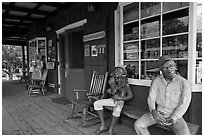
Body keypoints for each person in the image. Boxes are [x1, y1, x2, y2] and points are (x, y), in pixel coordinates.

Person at [134, 55, 192, 135]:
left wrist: (174, 117)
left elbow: (184, 103)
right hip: (159, 113)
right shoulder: (156, 81)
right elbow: (151, 98)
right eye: (165, 68)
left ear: (175, 66)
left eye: (171, 66)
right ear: (161, 69)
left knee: (186, 135)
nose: (169, 70)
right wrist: (153, 111)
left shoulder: (184, 83)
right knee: (138, 125)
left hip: (175, 115)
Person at [94, 66, 133, 135]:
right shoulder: (113, 81)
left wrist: (120, 98)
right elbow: (113, 91)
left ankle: (111, 129)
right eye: (116, 73)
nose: (116, 75)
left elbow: (130, 95)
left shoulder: (126, 84)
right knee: (97, 103)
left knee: (117, 109)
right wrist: (110, 91)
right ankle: (103, 125)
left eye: (118, 73)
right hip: (112, 100)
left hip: (120, 101)